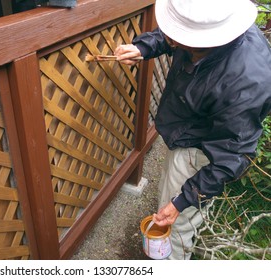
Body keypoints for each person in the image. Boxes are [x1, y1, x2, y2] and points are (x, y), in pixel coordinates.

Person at [115, 0, 271, 259]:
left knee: (174, 225)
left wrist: (182, 200)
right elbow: (173, 36)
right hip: (190, 129)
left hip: (200, 152)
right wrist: (143, 47)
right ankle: (194, 222)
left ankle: (174, 258)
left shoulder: (244, 84)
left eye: (178, 39)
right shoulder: (218, 27)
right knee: (190, 211)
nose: (172, 41)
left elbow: (232, 156)